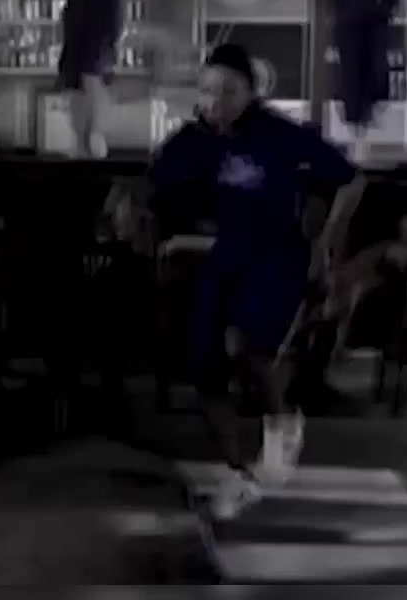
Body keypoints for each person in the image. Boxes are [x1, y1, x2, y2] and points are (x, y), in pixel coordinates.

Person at [149, 44, 362, 520]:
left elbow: (351, 180)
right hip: (225, 254)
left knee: (246, 345)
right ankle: (237, 471)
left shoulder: (280, 134)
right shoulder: (194, 138)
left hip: (278, 255)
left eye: (229, 90)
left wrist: (326, 242)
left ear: (252, 92)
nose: (216, 101)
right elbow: (155, 182)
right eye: (207, 91)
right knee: (204, 369)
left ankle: (283, 419)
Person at [330, 0, 400, 165]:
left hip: (377, 14)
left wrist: (391, 1)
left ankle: (365, 122)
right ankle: (355, 127)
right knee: (352, 71)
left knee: (377, 67)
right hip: (348, 15)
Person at [59, 0, 129, 159]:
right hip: (81, 12)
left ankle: (92, 138)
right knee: (75, 77)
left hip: (98, 12)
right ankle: (81, 141)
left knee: (91, 74)